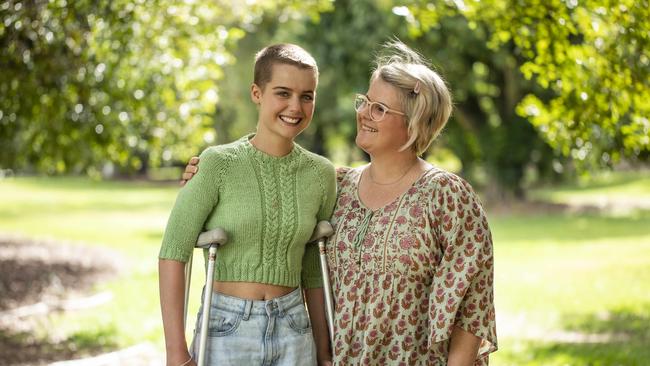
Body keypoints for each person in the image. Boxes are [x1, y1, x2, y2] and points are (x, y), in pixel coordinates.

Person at [183, 40, 497, 365]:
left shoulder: (447, 194)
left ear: (416, 122)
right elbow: (269, 182)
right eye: (365, 102)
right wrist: (202, 170)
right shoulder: (339, 184)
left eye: (379, 109)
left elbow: (472, 303)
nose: (363, 113)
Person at [160, 43, 336, 366]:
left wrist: (324, 351)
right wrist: (175, 351)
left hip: (294, 327)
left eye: (307, 96)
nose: (295, 106)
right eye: (283, 93)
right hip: (227, 326)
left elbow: (313, 270)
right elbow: (173, 251)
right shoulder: (217, 164)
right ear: (257, 93)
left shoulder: (321, 175)